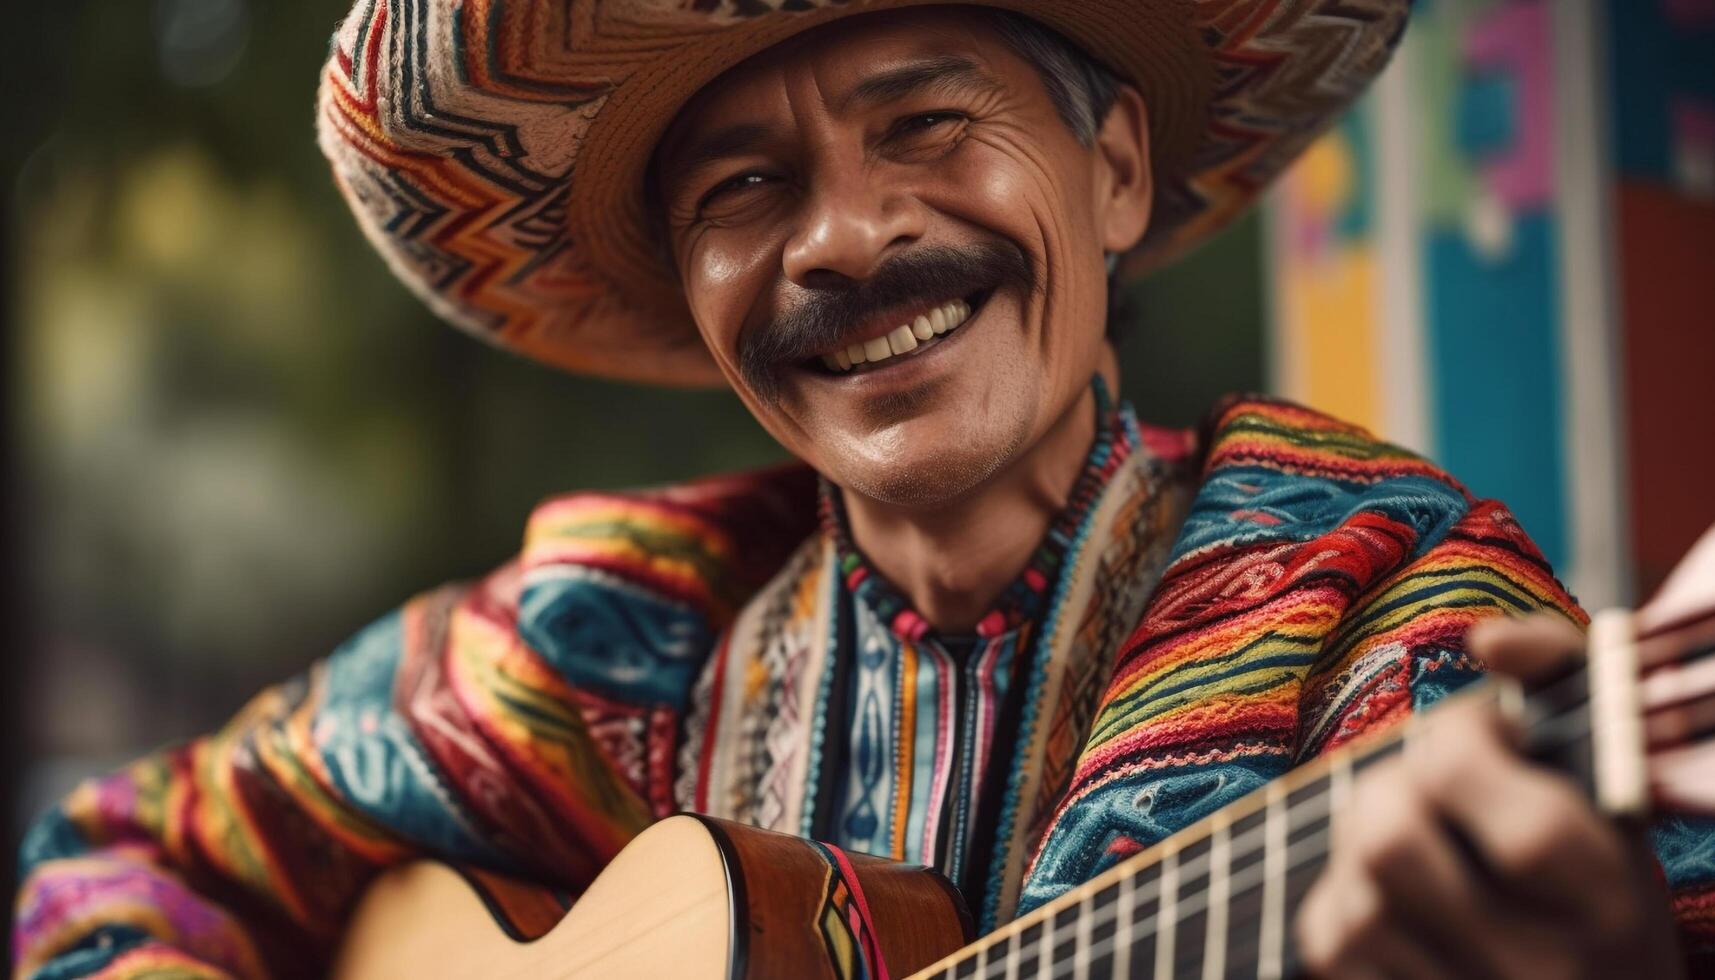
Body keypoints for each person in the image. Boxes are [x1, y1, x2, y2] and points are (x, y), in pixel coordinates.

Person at [13, 2, 1711, 977]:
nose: (840, 237)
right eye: (745, 189)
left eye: (926, 124)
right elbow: (107, 863)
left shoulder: (1391, 620)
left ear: (1113, 172)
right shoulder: (601, 653)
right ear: (694, 288)